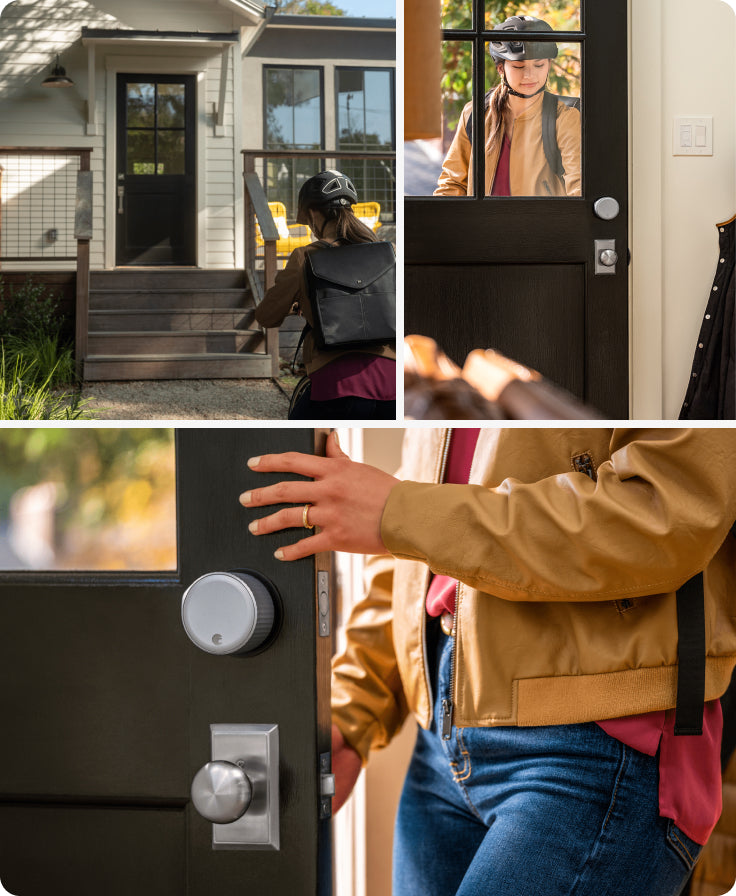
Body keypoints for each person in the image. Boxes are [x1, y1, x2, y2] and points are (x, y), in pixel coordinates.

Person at [241, 427, 736, 896]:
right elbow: (416, 547)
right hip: (440, 738)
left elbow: (664, 512)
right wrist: (352, 712)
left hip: (599, 743)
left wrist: (400, 511)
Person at [254, 170, 396, 420]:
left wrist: (299, 305)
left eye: (308, 222)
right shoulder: (388, 253)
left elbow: (266, 316)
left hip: (335, 385)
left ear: (312, 214)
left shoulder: (305, 257)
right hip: (392, 384)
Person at [435, 15, 581, 197]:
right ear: (501, 68)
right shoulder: (475, 113)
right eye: (519, 66)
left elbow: (579, 185)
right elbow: (453, 183)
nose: (530, 75)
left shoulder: (565, 117)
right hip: (482, 223)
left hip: (541, 223)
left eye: (539, 65)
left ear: (549, 65)